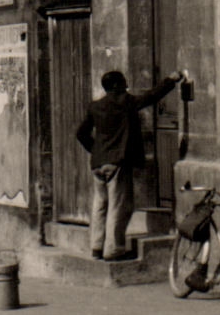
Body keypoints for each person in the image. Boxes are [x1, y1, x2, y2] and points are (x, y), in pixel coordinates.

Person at [76, 69, 183, 261]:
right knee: (118, 206)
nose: (126, 83)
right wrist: (171, 80)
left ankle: (96, 247)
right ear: (116, 86)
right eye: (123, 81)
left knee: (99, 205)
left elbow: (81, 133)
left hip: (98, 164)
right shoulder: (125, 103)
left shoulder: (95, 106)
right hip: (117, 163)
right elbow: (151, 96)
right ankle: (114, 250)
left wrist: (97, 150)